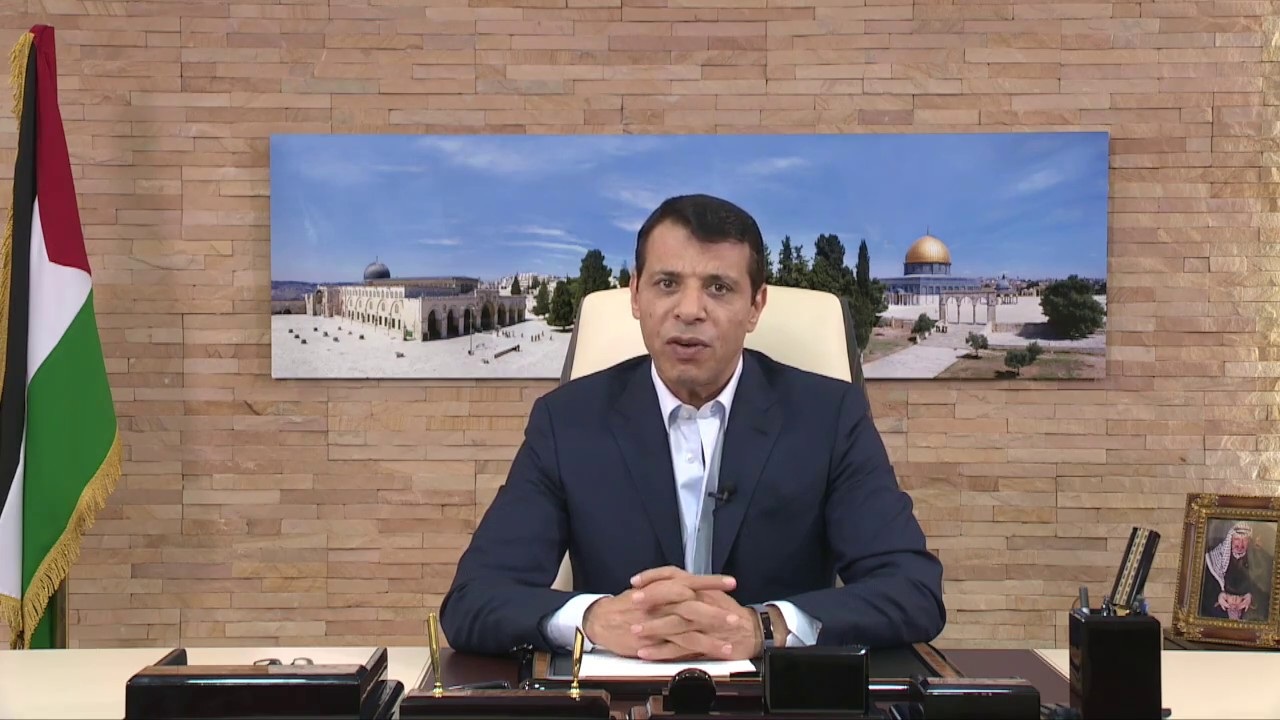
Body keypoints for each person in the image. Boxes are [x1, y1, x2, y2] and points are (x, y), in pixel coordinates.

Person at [439, 194, 945, 660]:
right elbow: (472, 600)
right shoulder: (567, 421)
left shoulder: (829, 417)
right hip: (621, 699)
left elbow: (913, 591)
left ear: (755, 307)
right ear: (635, 295)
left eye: (719, 288)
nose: (689, 311)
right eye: (667, 284)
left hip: (775, 701)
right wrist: (592, 620)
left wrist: (764, 627)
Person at [1199, 521, 1274, 622]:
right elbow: (1205, 588)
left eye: (1245, 540)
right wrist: (1218, 596)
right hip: (1220, 609)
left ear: (1249, 541)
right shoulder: (1215, 558)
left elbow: (1266, 589)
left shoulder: (1259, 559)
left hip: (1248, 611)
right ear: (1230, 539)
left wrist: (1252, 597)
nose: (1240, 545)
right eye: (1237, 539)